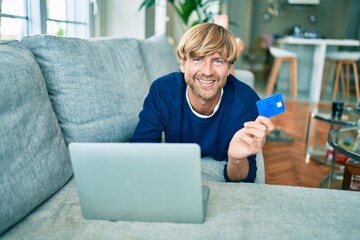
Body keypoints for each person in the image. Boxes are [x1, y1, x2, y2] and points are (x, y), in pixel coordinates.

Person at [131, 23, 274, 182]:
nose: (207, 71)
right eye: (198, 59)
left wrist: (236, 159)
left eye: (218, 61)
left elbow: (244, 180)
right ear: (183, 64)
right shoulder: (163, 91)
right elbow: (141, 148)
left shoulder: (246, 103)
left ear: (228, 67)